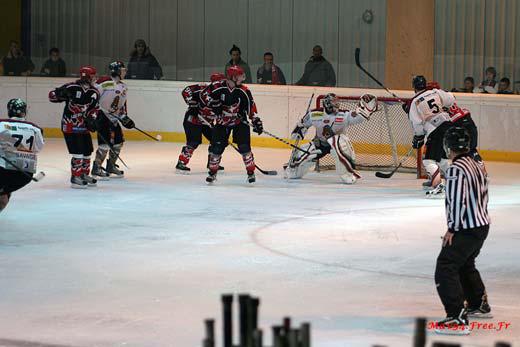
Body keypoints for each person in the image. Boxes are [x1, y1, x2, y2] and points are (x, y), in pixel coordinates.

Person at [433, 126, 491, 335]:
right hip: (481, 224)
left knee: (446, 266)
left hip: (466, 227)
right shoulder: (476, 163)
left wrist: (453, 229)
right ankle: (478, 303)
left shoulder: (456, 168)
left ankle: (456, 317)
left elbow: (458, 201)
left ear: (448, 146)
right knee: (465, 263)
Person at [285, 93, 375, 184]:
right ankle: (295, 169)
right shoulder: (314, 114)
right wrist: (298, 133)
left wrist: (367, 109)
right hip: (320, 144)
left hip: (337, 145)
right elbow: (302, 125)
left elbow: (358, 117)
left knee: (338, 140)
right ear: (327, 103)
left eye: (337, 102)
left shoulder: (344, 115)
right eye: (334, 102)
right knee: (298, 163)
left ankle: (348, 174)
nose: (337, 104)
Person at [201, 65, 263, 184]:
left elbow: (251, 107)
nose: (242, 77)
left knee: (244, 147)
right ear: (233, 77)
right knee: (217, 148)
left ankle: (250, 172)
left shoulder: (244, 90)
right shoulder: (217, 86)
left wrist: (256, 120)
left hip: (239, 121)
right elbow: (204, 95)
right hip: (221, 122)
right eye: (240, 75)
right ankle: (212, 173)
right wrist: (213, 103)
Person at [48, 66, 100, 188]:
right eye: (93, 76)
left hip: (84, 127)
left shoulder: (94, 92)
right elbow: (51, 96)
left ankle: (83, 174)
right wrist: (59, 94)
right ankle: (75, 177)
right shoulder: (71, 87)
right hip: (70, 126)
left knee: (87, 151)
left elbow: (95, 108)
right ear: (87, 77)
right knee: (78, 152)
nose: (95, 78)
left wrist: (92, 118)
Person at [408, 75, 455, 197]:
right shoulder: (435, 92)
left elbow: (417, 124)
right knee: (443, 160)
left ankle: (438, 186)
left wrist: (419, 137)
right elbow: (451, 99)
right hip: (448, 125)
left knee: (428, 160)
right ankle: (455, 183)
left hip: (435, 130)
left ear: (414, 87)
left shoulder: (414, 102)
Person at [92, 61, 135, 180]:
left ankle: (110, 166)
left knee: (118, 142)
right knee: (105, 143)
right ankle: (96, 167)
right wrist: (93, 115)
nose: (125, 72)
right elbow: (93, 97)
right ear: (116, 70)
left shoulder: (124, 86)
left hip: (114, 118)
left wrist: (124, 117)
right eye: (122, 70)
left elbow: (122, 104)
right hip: (102, 116)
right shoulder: (103, 82)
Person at [175, 72, 226, 174]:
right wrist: (192, 103)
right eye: (220, 83)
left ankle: (212, 163)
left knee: (217, 140)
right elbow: (186, 91)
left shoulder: (224, 94)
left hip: (208, 122)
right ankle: (181, 163)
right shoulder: (203, 89)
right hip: (193, 120)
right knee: (194, 141)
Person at [0, 99, 45, 212]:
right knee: (5, 191)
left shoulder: (1, 124)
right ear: (24, 112)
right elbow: (38, 148)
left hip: (2, 170)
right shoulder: (35, 128)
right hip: (24, 175)